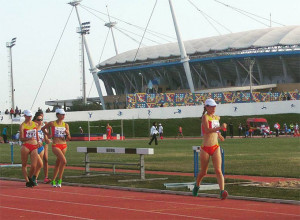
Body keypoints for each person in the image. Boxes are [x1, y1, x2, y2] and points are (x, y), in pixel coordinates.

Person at [193, 98, 228, 200]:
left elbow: (215, 131)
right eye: (211, 106)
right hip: (205, 148)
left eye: (214, 106)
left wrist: (220, 135)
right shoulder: (205, 117)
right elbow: (207, 131)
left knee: (218, 170)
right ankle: (197, 185)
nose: (213, 108)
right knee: (204, 172)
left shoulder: (216, 118)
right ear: (206, 107)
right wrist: (220, 128)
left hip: (215, 146)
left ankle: (222, 191)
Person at [42, 109, 71, 187]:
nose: (63, 116)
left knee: (58, 163)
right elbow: (43, 128)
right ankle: (60, 179)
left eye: (64, 114)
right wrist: (48, 134)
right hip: (56, 145)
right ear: (57, 115)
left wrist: (67, 134)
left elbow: (69, 138)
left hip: (64, 145)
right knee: (64, 161)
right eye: (62, 114)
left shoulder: (66, 125)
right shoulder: (52, 123)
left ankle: (54, 180)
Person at [19, 110, 43, 187]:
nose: (29, 117)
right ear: (25, 116)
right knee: (24, 164)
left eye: (30, 116)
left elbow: (37, 135)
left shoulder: (34, 124)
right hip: (26, 145)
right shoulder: (22, 125)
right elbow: (21, 138)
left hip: (34, 146)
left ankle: (30, 177)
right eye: (28, 116)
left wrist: (39, 141)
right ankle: (27, 181)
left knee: (34, 165)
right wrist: (28, 138)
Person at [33, 112, 51, 184]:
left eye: (42, 119)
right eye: (39, 119)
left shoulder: (44, 125)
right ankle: (33, 178)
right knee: (38, 163)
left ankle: (45, 177)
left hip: (42, 145)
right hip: (34, 146)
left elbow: (46, 137)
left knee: (45, 159)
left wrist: (46, 140)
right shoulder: (33, 126)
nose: (41, 121)